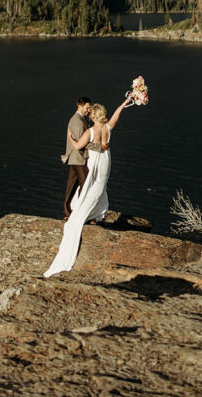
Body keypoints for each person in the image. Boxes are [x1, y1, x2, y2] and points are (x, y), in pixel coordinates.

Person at [44, 97, 132, 278]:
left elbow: (77, 146)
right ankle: (98, 214)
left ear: (93, 116)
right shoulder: (108, 128)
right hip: (106, 160)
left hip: (95, 161)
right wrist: (125, 103)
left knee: (89, 187)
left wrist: (69, 136)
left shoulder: (91, 131)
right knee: (100, 185)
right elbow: (117, 115)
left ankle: (85, 212)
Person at [62, 96, 92, 220]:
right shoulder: (77, 121)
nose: (89, 110)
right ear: (79, 106)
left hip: (75, 158)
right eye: (87, 107)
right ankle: (79, 210)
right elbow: (81, 143)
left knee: (72, 184)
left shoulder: (79, 119)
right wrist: (98, 145)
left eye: (89, 107)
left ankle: (68, 211)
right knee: (85, 183)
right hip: (78, 157)